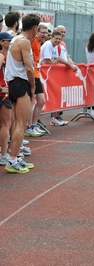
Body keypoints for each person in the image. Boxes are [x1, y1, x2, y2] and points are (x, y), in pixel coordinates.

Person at [4, 13, 40, 174]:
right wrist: (32, 88)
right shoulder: (24, 42)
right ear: (34, 28)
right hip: (20, 83)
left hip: (14, 83)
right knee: (21, 124)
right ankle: (12, 160)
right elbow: (29, 68)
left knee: (16, 123)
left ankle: (15, 156)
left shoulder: (15, 39)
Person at [40, 30, 77, 127]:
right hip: (43, 74)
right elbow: (47, 61)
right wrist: (54, 62)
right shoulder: (48, 45)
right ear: (51, 37)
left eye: (59, 39)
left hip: (49, 74)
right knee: (43, 98)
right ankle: (35, 122)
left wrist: (70, 65)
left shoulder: (56, 46)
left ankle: (54, 118)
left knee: (55, 95)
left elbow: (57, 59)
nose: (58, 40)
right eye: (56, 38)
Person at [25, 23, 48, 137]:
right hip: (32, 74)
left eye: (46, 32)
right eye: (42, 32)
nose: (45, 34)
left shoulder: (39, 42)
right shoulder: (33, 40)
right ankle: (28, 127)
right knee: (31, 101)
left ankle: (33, 125)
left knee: (41, 101)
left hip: (37, 73)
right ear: (36, 31)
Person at [0, 32, 13, 166]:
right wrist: (1, 88)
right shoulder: (2, 56)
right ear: (1, 42)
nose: (11, 43)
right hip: (3, 95)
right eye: (9, 41)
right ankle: (3, 155)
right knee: (5, 125)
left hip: (4, 93)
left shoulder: (6, 56)